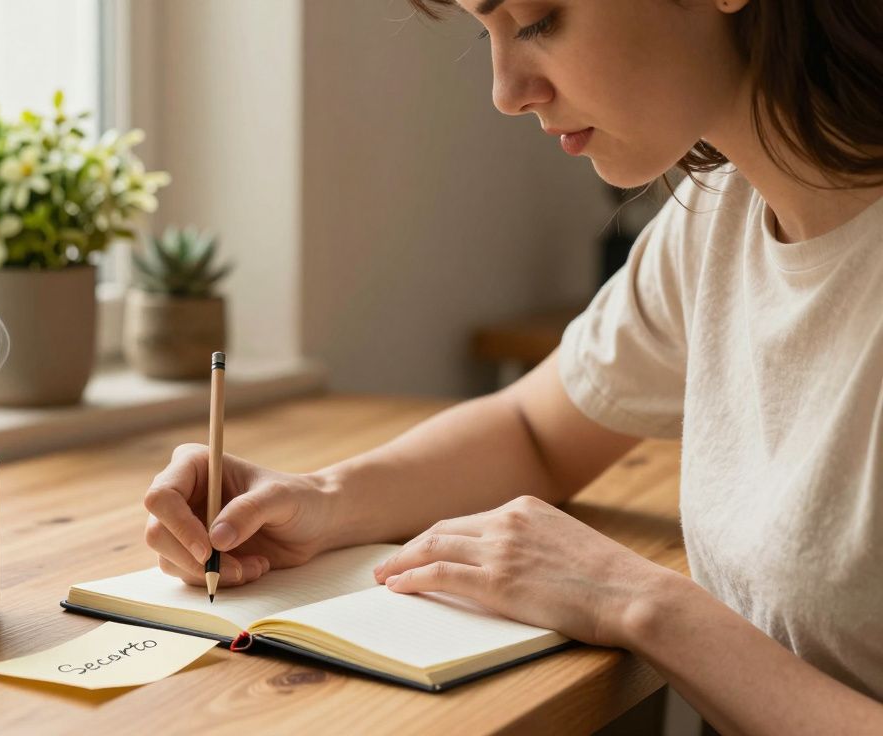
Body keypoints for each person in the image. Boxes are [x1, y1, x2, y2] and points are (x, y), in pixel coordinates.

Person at [142, 0, 883, 730]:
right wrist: (318, 498)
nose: (505, 93)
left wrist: (640, 603)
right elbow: (536, 428)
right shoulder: (721, 217)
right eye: (484, 31)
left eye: (537, 20)